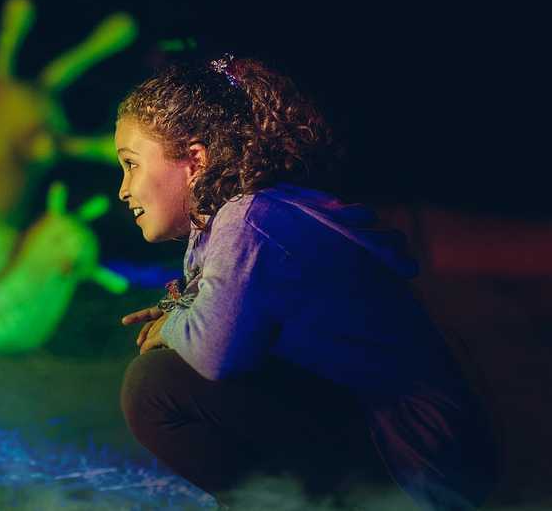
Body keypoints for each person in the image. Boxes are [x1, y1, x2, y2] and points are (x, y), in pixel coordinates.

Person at [115, 57, 500, 511]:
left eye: (131, 165)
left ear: (195, 160)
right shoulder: (237, 217)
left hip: (421, 461)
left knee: (154, 385)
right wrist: (181, 313)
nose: (123, 189)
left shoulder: (251, 219)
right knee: (171, 372)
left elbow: (215, 353)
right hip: (427, 449)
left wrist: (174, 328)